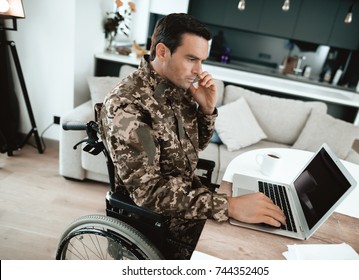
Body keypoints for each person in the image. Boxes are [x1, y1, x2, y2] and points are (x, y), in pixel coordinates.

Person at [99, 13, 285, 259]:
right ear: (163, 52)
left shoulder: (180, 88)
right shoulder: (127, 105)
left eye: (202, 61)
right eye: (191, 59)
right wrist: (227, 206)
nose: (199, 71)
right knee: (246, 250)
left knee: (265, 229)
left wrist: (207, 110)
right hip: (157, 221)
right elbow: (149, 193)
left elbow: (197, 145)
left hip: (188, 197)